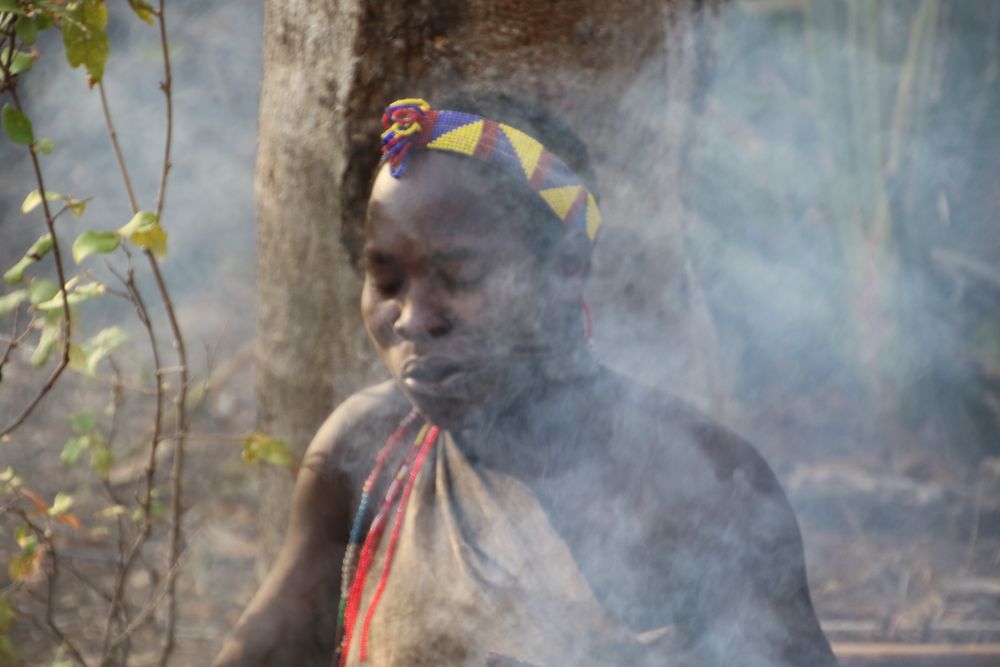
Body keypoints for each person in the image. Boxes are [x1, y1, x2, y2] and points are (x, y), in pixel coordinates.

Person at [213, 92, 838, 667]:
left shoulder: (700, 486)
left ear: (566, 269)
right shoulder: (366, 451)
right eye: (387, 281)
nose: (412, 319)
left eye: (459, 277)